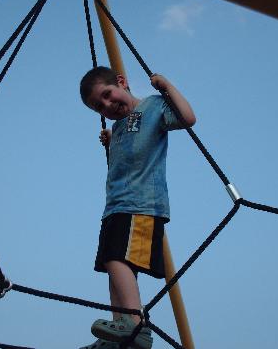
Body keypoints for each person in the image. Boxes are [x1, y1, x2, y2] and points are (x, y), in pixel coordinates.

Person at [78, 66, 196, 349]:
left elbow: (188, 118)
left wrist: (165, 86)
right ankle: (118, 333)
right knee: (112, 264)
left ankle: (134, 325)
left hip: (141, 204)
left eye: (107, 94)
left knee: (119, 258)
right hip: (115, 207)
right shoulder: (117, 126)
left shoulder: (154, 107)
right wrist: (110, 141)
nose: (107, 105)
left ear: (121, 82)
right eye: (99, 106)